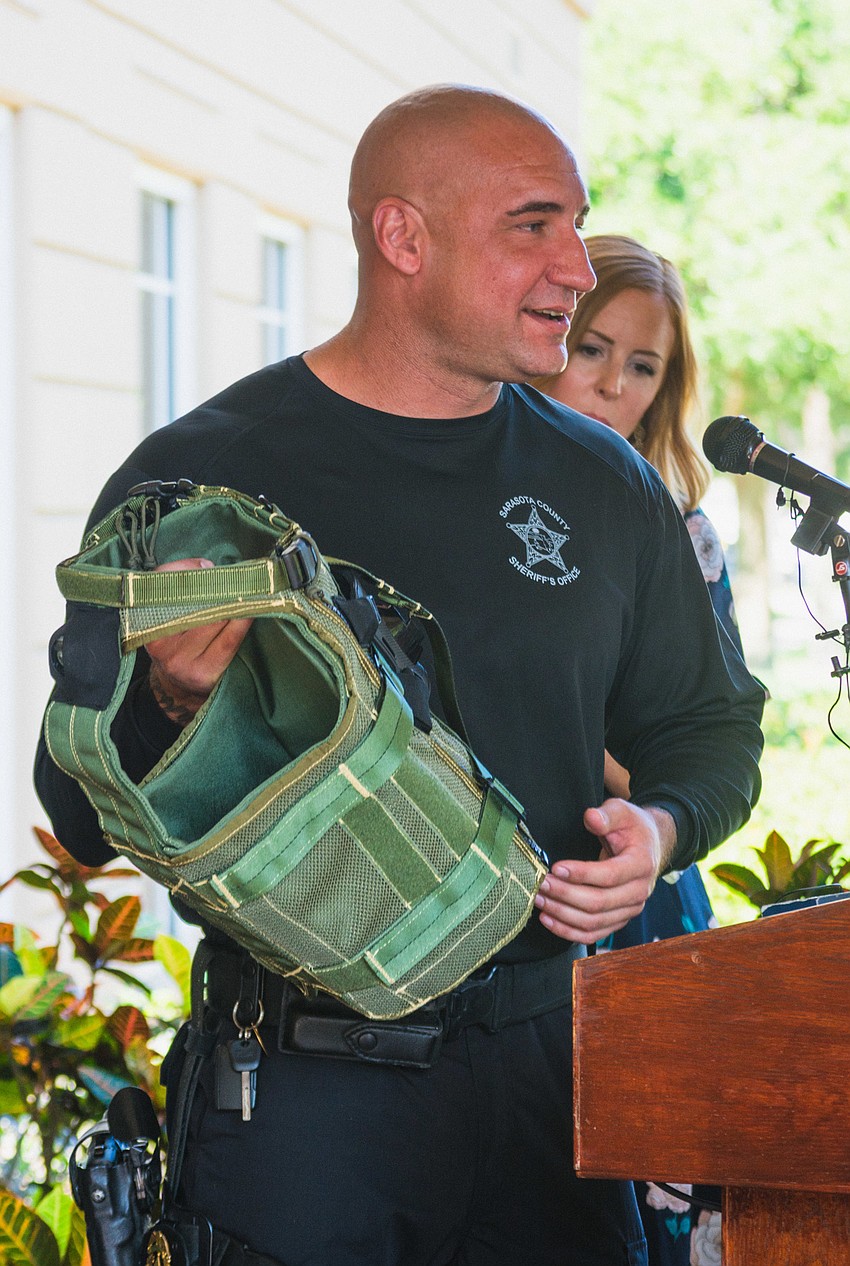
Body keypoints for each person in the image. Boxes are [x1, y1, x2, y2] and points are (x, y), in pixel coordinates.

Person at [35, 86, 764, 1266]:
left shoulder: (605, 485)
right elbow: (76, 814)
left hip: (549, 1087)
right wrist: (171, 705)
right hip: (301, 1106)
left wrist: (663, 830)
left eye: (577, 224)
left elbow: (711, 727)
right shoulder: (198, 478)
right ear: (403, 238)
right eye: (532, 226)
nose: (576, 267)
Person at [534, 233, 746, 1266]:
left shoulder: (684, 535)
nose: (612, 384)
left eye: (643, 366)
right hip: (502, 919)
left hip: (641, 896)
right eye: (592, 348)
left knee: (646, 1206)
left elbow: (699, 749)